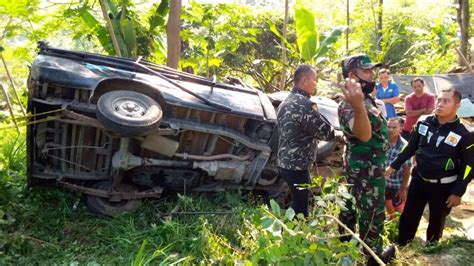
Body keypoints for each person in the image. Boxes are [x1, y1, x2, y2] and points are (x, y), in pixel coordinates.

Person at [385, 87, 474, 246]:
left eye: (446, 101)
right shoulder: (423, 122)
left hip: (444, 186)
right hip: (419, 179)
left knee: (436, 221)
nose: (440, 104)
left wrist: (457, 192)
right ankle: (402, 246)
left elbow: (469, 166)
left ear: (457, 105)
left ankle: (431, 249)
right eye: (439, 100)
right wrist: (393, 166)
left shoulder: (465, 134)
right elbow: (410, 147)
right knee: (409, 216)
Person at [338, 54, 395, 265]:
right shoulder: (349, 104)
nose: (372, 75)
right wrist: (359, 106)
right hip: (365, 173)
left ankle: (353, 249)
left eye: (372, 70)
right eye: (367, 71)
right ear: (352, 76)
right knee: (372, 214)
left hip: (370, 168)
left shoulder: (365, 98)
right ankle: (373, 257)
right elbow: (364, 135)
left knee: (356, 209)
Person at [276, 64, 335, 217]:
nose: (316, 83)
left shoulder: (286, 102)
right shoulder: (303, 104)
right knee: (301, 205)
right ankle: (292, 234)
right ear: (304, 81)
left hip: (285, 162)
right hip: (297, 166)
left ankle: (290, 230)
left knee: (298, 200)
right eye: (314, 80)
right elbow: (326, 132)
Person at [384, 117, 411, 218]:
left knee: (397, 211)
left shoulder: (404, 146)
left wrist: (403, 188)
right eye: (389, 127)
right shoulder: (382, 141)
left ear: (401, 128)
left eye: (394, 127)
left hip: (396, 184)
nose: (390, 130)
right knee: (388, 208)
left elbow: (407, 169)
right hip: (382, 182)